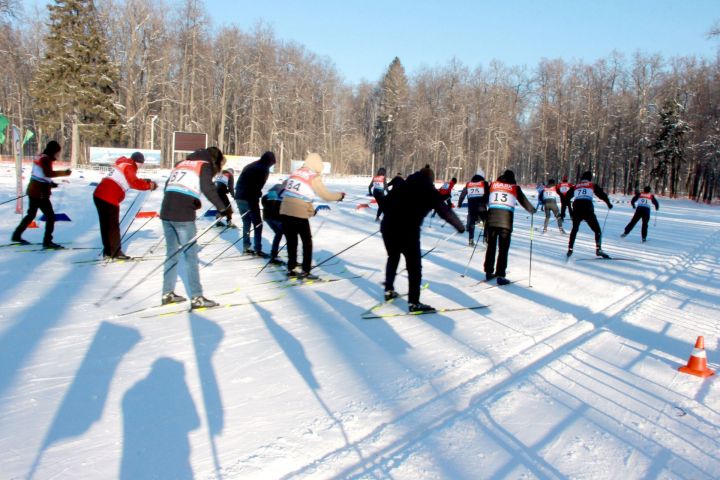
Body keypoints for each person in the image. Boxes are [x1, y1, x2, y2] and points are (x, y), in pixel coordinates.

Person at [382, 166, 465, 312]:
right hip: (408, 230)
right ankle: (414, 302)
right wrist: (459, 226)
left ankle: (389, 289)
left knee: (393, 257)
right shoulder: (428, 189)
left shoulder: (403, 184)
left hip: (388, 227)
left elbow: (385, 202)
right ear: (431, 179)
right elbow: (444, 210)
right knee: (414, 267)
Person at [159, 147, 231, 308]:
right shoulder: (203, 164)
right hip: (182, 215)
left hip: (166, 211)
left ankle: (167, 293)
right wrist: (223, 208)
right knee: (190, 256)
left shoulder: (182, 164)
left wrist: (191, 199)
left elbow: (168, 187)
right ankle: (197, 297)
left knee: (172, 254)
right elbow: (208, 188)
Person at [280, 152, 344, 279]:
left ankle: (291, 267)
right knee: (306, 242)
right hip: (298, 212)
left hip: (285, 210)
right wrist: (339, 195)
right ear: (317, 165)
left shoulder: (296, 172)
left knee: (291, 241)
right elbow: (325, 195)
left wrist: (309, 209)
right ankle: (306, 271)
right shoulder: (313, 176)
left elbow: (291, 190)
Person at [93, 152, 157, 259]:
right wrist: (149, 185)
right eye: (141, 164)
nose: (140, 166)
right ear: (138, 162)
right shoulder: (130, 166)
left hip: (99, 194)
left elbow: (127, 180)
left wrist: (144, 181)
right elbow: (133, 182)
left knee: (106, 225)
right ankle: (116, 253)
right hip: (109, 196)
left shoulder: (123, 163)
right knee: (113, 226)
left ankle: (108, 251)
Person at [12, 140, 71, 249]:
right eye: (57, 152)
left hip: (34, 190)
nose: (57, 155)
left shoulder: (41, 157)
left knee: (31, 215)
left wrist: (51, 184)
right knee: (50, 217)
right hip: (40, 193)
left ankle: (16, 235)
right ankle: (47, 241)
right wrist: (64, 173)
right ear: (52, 151)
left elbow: (40, 175)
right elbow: (47, 173)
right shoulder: (45, 159)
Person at [483, 170, 536, 285]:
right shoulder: (514, 187)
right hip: (505, 223)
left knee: (491, 247)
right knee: (503, 249)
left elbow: (484, 199)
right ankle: (500, 275)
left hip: (491, 221)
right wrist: (532, 210)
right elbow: (524, 201)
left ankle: (488, 272)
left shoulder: (493, 185)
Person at [235, 151, 275, 256]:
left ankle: (246, 247)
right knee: (258, 224)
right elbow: (256, 186)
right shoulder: (263, 169)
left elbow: (242, 181)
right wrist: (258, 195)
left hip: (239, 196)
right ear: (269, 162)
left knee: (246, 222)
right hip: (250, 198)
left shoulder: (250, 165)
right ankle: (258, 249)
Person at [566, 171, 613, 258]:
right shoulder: (592, 185)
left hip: (577, 209)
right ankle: (598, 249)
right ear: (590, 178)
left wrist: (570, 211)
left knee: (574, 229)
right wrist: (608, 203)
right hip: (587, 209)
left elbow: (567, 198)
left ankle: (570, 249)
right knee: (597, 230)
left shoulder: (576, 186)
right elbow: (602, 195)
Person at [458, 173, 489, 246]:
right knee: (487, 222)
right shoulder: (484, 183)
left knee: (472, 223)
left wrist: (460, 203)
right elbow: (488, 194)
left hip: (471, 208)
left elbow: (463, 194)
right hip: (482, 207)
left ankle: (471, 240)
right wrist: (486, 202)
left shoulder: (469, 184)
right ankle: (485, 239)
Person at [261, 182, 285, 265]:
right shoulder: (284, 195)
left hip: (267, 218)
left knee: (278, 233)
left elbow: (263, 203)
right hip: (278, 218)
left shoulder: (266, 195)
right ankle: (292, 260)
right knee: (290, 236)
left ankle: (273, 254)